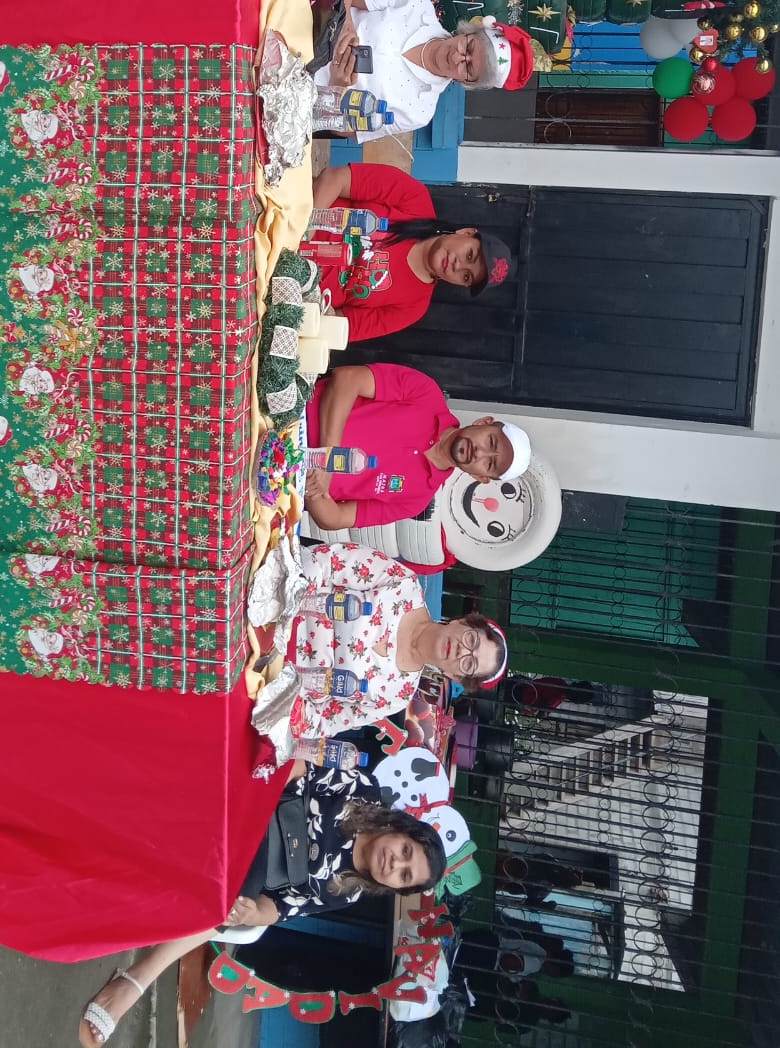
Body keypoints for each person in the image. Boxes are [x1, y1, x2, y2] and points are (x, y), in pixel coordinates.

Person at [78, 760, 447, 1046]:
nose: (395, 864)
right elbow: (299, 770)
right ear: (402, 830)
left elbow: (281, 908)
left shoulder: (345, 891)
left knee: (228, 909)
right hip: (248, 806)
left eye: (404, 876)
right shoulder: (363, 793)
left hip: (244, 874)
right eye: (405, 851)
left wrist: (255, 913)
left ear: (395, 888)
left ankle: (137, 978)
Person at [292, 542, 508, 739]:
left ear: (455, 676)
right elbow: (326, 561)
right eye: (471, 640)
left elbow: (319, 722)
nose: (463, 651)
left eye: (469, 663)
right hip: (284, 601)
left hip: (279, 678)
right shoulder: (403, 585)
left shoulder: (396, 696)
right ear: (462, 621)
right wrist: (290, 602)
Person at [304, 361, 532, 531]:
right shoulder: (426, 394)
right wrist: (328, 458)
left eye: (489, 464)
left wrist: (311, 484)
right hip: (294, 414)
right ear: (484, 422)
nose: (480, 453)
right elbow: (347, 378)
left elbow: (334, 519)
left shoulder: (415, 500)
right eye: (490, 441)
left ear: (481, 477)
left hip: (292, 478)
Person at [310, 161, 514, 343]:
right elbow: (336, 178)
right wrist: (306, 231)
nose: (458, 266)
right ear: (467, 232)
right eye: (469, 255)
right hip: (295, 217)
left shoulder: (413, 307)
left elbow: (337, 327)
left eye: (466, 276)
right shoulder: (415, 198)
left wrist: (311, 298)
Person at [313, 0, 535, 142]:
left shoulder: (419, 111)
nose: (457, 56)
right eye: (468, 47)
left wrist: (337, 87)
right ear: (468, 32)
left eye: (467, 67)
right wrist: (345, 24)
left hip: (305, 89)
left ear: (467, 82)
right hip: (305, 25)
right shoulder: (415, 3)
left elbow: (344, 131)